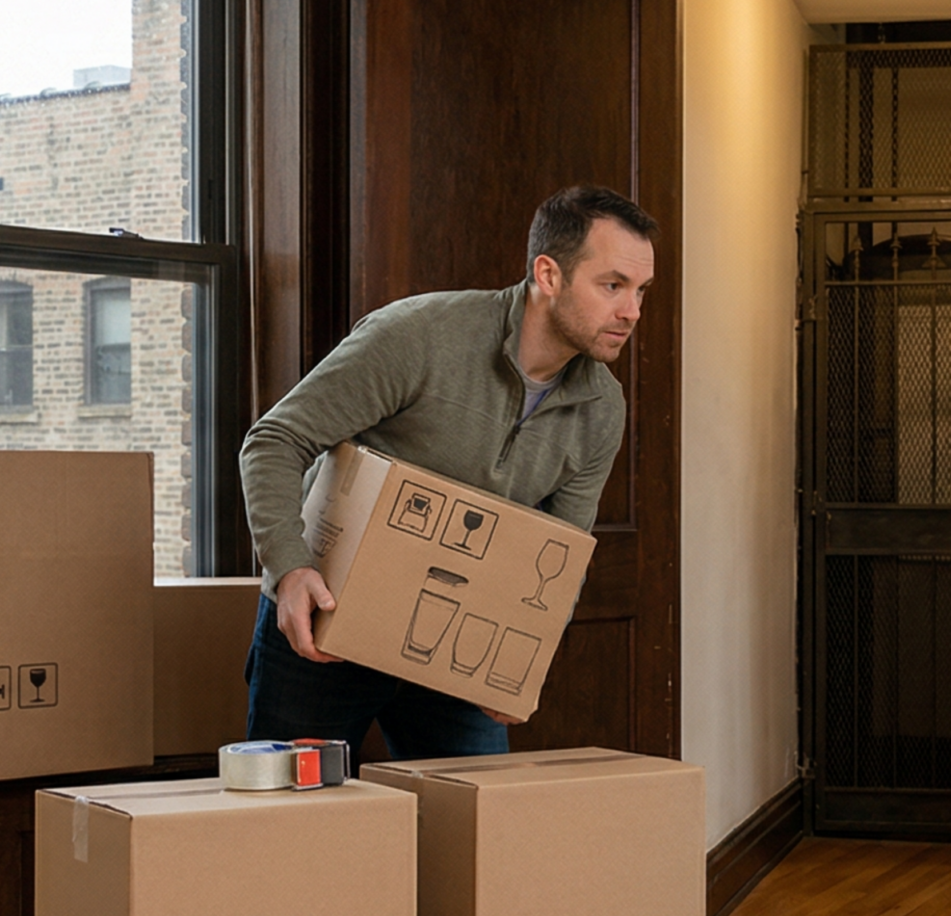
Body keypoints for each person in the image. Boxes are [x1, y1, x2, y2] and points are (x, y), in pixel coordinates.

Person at [236, 184, 657, 758]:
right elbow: (274, 440)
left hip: (454, 645)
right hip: (324, 623)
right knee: (290, 826)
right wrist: (289, 568)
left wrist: (528, 658)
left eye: (639, 291)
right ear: (549, 274)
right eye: (612, 286)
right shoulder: (420, 336)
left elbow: (561, 554)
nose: (631, 311)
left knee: (476, 832)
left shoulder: (601, 408)